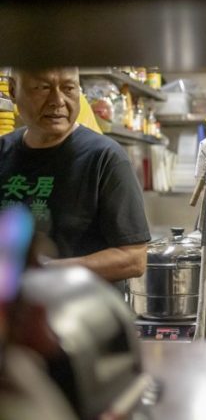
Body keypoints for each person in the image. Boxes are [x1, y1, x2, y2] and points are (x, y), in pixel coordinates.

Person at [0, 67, 150, 290]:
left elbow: (134, 259)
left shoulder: (104, 157)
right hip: (16, 319)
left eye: (69, 88)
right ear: (13, 90)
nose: (57, 101)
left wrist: (43, 271)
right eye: (42, 88)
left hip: (83, 318)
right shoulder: (3, 151)